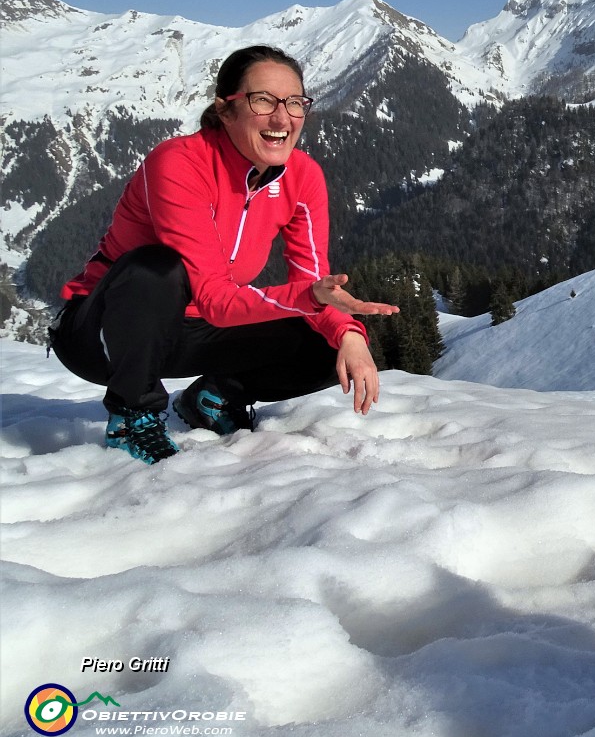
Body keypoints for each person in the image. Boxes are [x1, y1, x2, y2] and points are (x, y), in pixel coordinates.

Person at [49, 45, 400, 464]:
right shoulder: (180, 163)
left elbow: (313, 282)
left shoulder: (303, 176)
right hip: (106, 333)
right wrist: (309, 299)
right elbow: (216, 298)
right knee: (155, 269)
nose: (282, 118)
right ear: (225, 110)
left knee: (329, 341)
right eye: (263, 100)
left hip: (195, 331)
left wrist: (348, 332)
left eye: (294, 103)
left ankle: (212, 399)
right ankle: (132, 416)